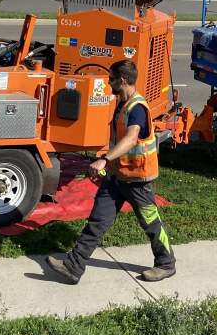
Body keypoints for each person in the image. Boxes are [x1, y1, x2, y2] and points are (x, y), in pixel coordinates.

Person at [46, 59, 175, 284]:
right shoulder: (122, 104)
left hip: (137, 180)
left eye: (112, 79)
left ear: (122, 80)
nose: (108, 83)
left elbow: (131, 138)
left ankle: (166, 264)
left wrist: (105, 160)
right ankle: (74, 267)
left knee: (150, 222)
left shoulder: (138, 109)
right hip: (117, 176)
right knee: (98, 220)